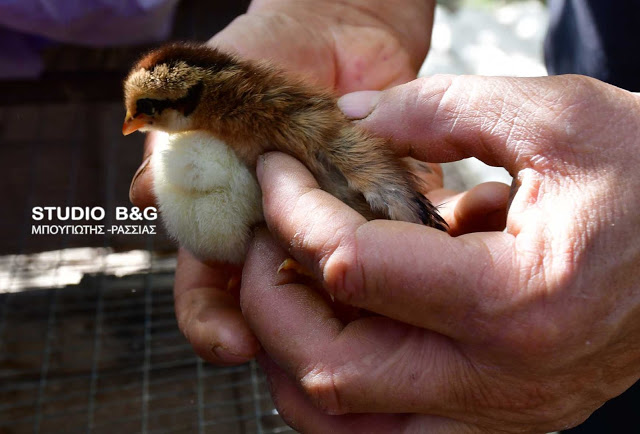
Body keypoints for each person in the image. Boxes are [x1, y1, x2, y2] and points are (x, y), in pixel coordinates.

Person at [129, 0, 640, 432]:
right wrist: (348, 8)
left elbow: (345, 152)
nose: (136, 125)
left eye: (147, 111)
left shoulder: (264, 123)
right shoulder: (231, 134)